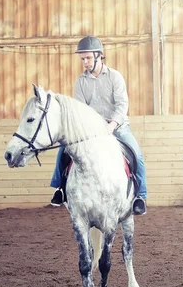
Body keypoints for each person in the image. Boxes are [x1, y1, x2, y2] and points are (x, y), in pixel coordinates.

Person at [49, 36, 148, 215]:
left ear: (98, 56)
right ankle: (60, 188)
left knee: (137, 154)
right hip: (91, 131)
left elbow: (122, 105)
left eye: (87, 58)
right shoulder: (81, 81)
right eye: (82, 59)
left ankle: (140, 196)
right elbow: (81, 109)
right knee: (64, 149)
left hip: (117, 127)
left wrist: (111, 126)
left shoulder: (115, 77)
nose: (85, 62)